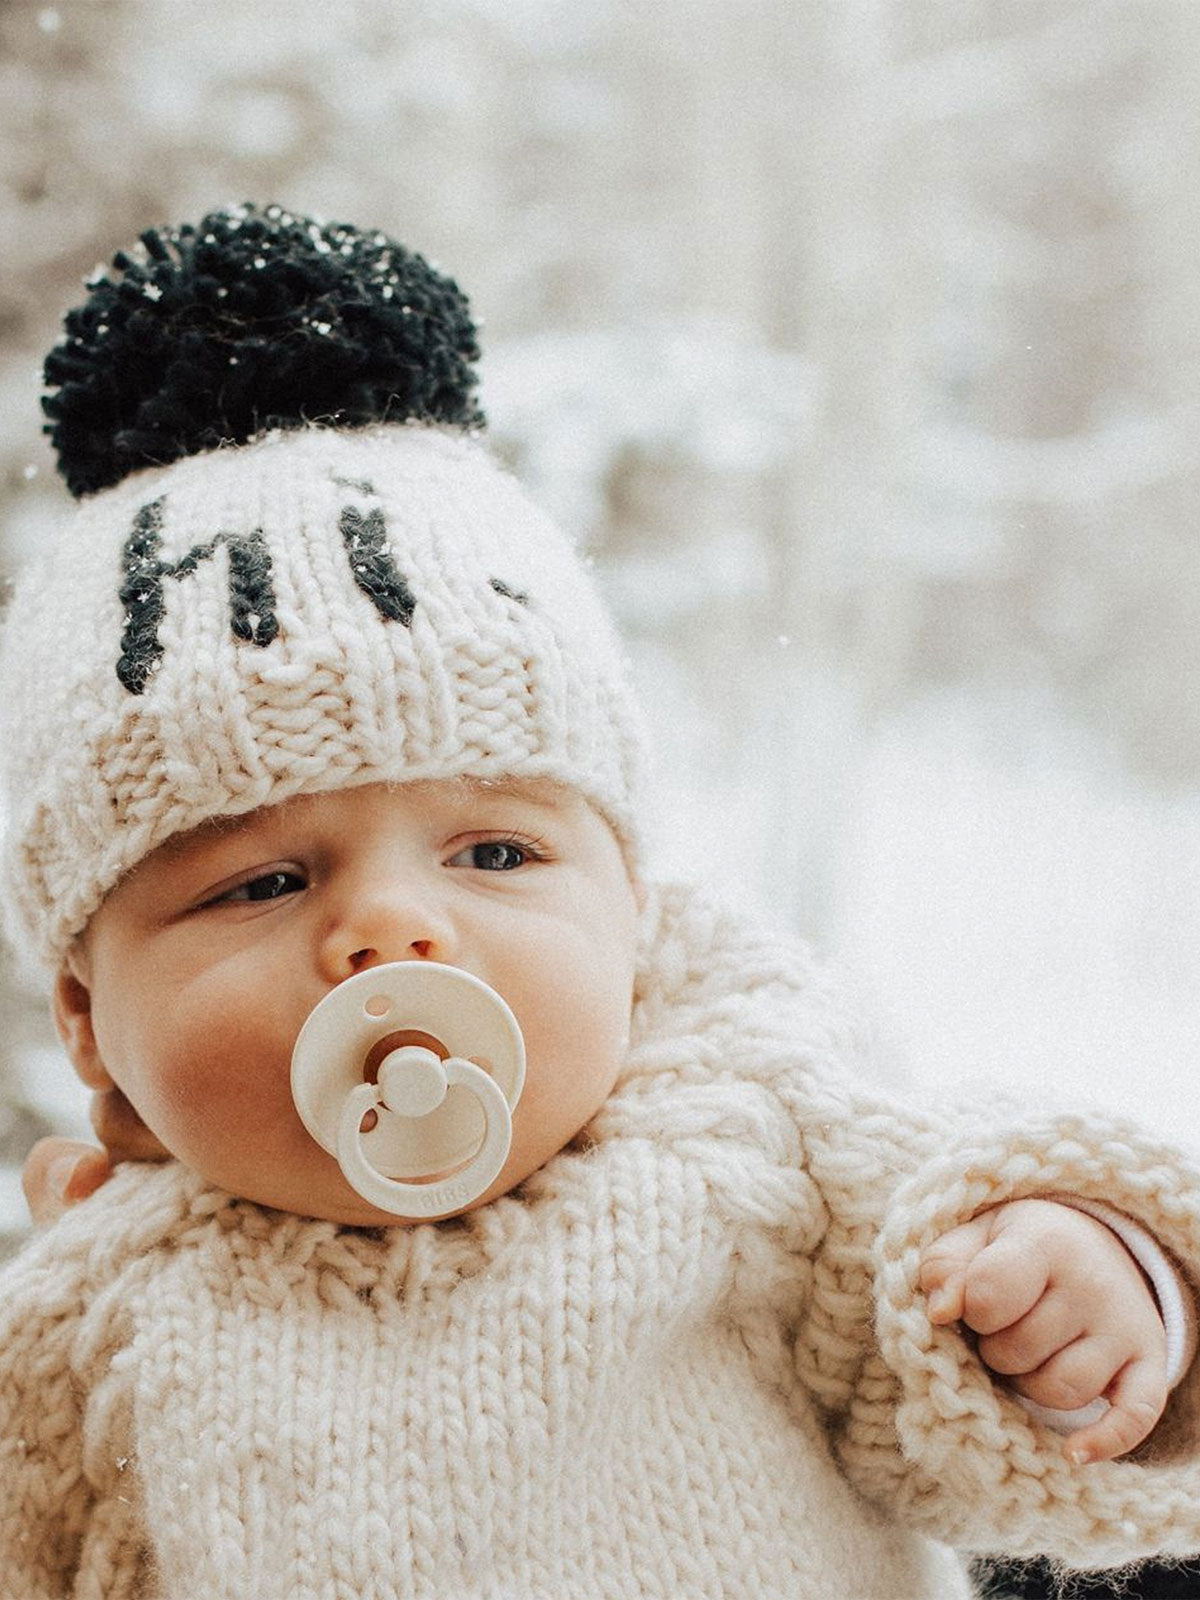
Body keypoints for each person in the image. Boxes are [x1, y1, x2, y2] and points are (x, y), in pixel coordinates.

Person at [3, 204, 1200, 1600]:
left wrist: (1098, 1300)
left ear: (631, 908)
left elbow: (988, 1413)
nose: (395, 935)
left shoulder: (763, 1145)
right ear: (90, 1022)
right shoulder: (87, 1322)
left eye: (495, 856)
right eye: (263, 881)